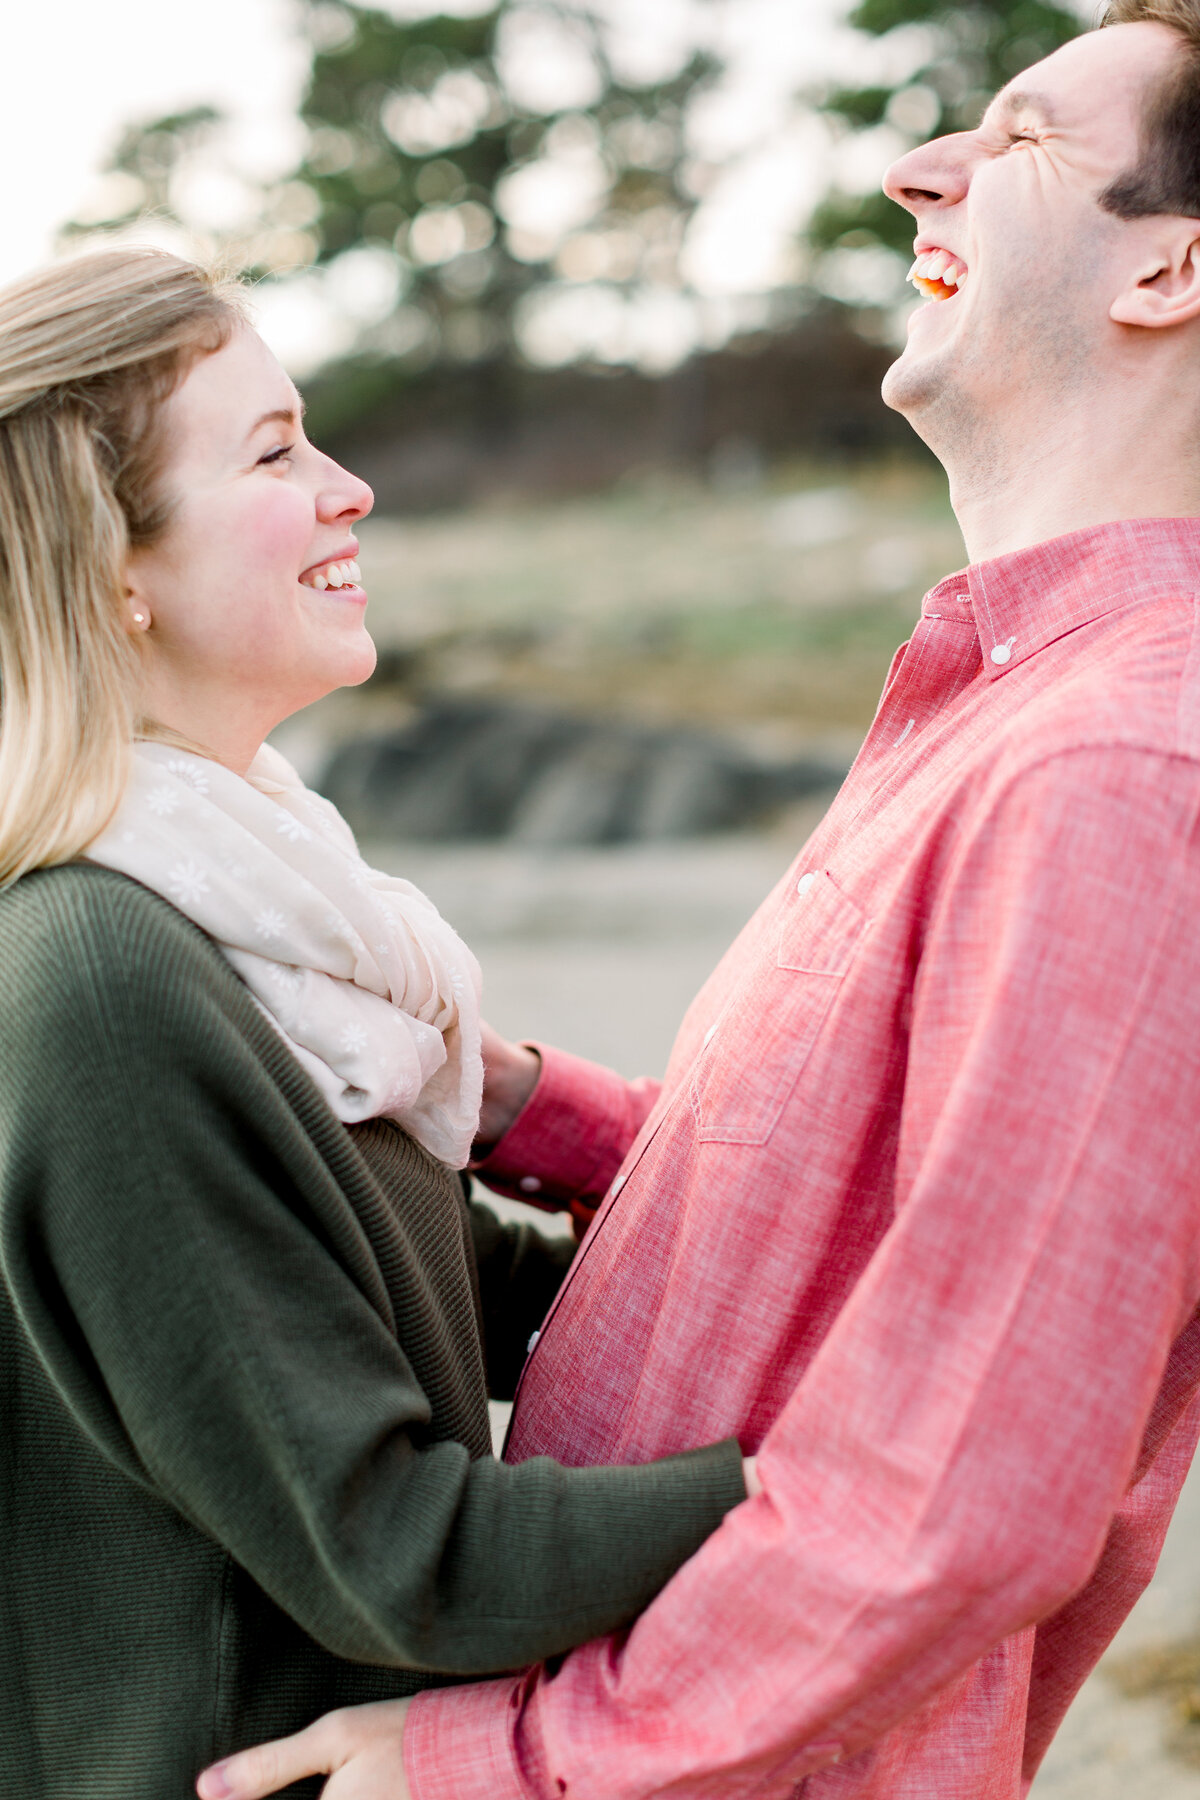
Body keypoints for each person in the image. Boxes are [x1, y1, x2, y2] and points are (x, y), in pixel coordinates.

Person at [199, 1, 1200, 1797]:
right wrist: (514, 1105)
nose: (920, 167)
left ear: (1169, 268)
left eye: (1025, 137)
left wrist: (500, 1769)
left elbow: (970, 1488)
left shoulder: (1121, 770)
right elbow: (868, 1213)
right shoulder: (1023, 711)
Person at [0, 248, 759, 1800]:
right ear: (107, 565)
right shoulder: (100, 974)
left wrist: (862, 1316)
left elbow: (459, 1297)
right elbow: (403, 1558)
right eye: (274, 452)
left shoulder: (258, 912)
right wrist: (838, 1489)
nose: (350, 490)